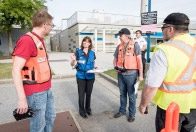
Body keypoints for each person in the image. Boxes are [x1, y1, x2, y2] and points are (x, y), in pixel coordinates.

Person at [139, 13, 196, 132]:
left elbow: (151, 86)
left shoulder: (164, 50)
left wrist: (143, 104)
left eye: (162, 29)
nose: (162, 32)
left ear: (170, 29)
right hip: (193, 107)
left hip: (170, 109)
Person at [12, 9, 56, 132]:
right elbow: (16, 70)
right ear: (45, 25)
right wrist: (22, 99)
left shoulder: (39, 40)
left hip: (46, 88)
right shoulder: (27, 41)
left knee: (50, 117)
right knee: (38, 126)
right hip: (36, 93)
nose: (51, 28)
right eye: (51, 25)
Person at [113, 28, 143, 122]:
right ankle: (122, 111)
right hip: (120, 74)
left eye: (120, 35)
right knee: (122, 94)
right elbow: (115, 58)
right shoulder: (119, 46)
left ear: (126, 36)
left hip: (131, 74)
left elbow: (139, 61)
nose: (119, 37)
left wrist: (141, 75)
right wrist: (115, 66)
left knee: (131, 96)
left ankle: (132, 114)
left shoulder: (135, 45)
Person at [70, 36, 96, 119]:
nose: (86, 43)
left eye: (88, 42)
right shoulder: (78, 52)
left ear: (90, 43)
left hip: (90, 76)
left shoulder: (92, 53)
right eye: (84, 41)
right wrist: (73, 60)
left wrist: (95, 67)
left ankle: (88, 109)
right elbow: (72, 65)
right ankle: (82, 111)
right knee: (81, 95)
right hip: (81, 76)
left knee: (88, 94)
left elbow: (94, 63)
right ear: (82, 43)